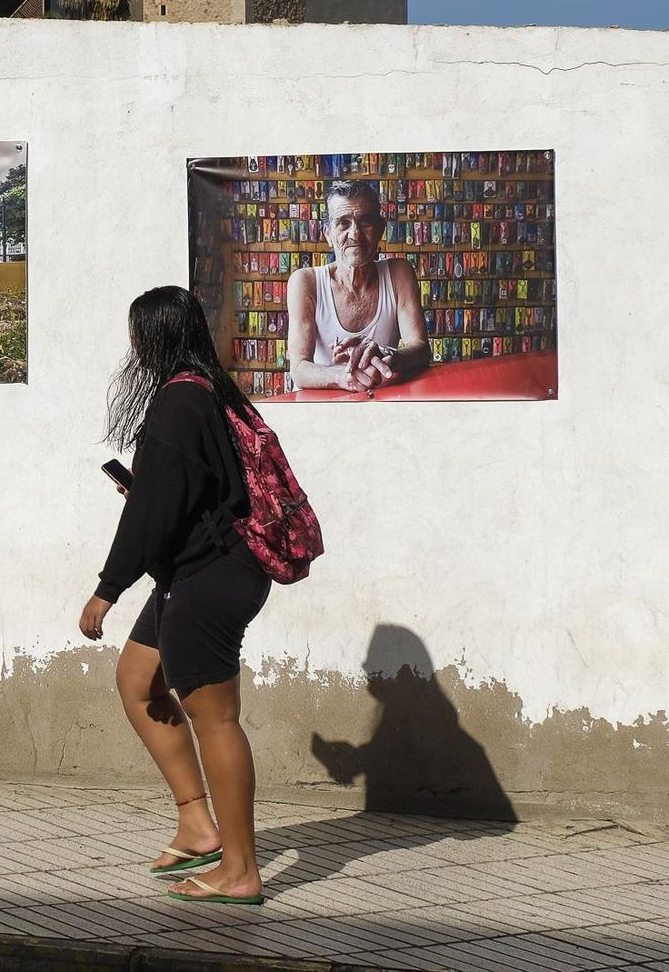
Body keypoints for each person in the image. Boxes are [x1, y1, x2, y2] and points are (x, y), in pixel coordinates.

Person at [78, 286, 270, 905]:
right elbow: (182, 496)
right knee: (138, 679)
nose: (132, 346)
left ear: (154, 337)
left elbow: (152, 517)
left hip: (209, 578)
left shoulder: (179, 402)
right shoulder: (203, 391)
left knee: (215, 720)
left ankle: (240, 870)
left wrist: (105, 591)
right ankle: (196, 824)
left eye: (137, 334)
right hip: (199, 570)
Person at [286, 180, 430, 392]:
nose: (355, 234)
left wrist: (386, 353)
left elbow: (421, 349)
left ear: (380, 230)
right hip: (321, 407)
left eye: (365, 222)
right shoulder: (306, 282)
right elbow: (298, 368)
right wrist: (344, 375)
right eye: (343, 223)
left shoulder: (399, 273)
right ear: (328, 234)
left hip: (378, 402)